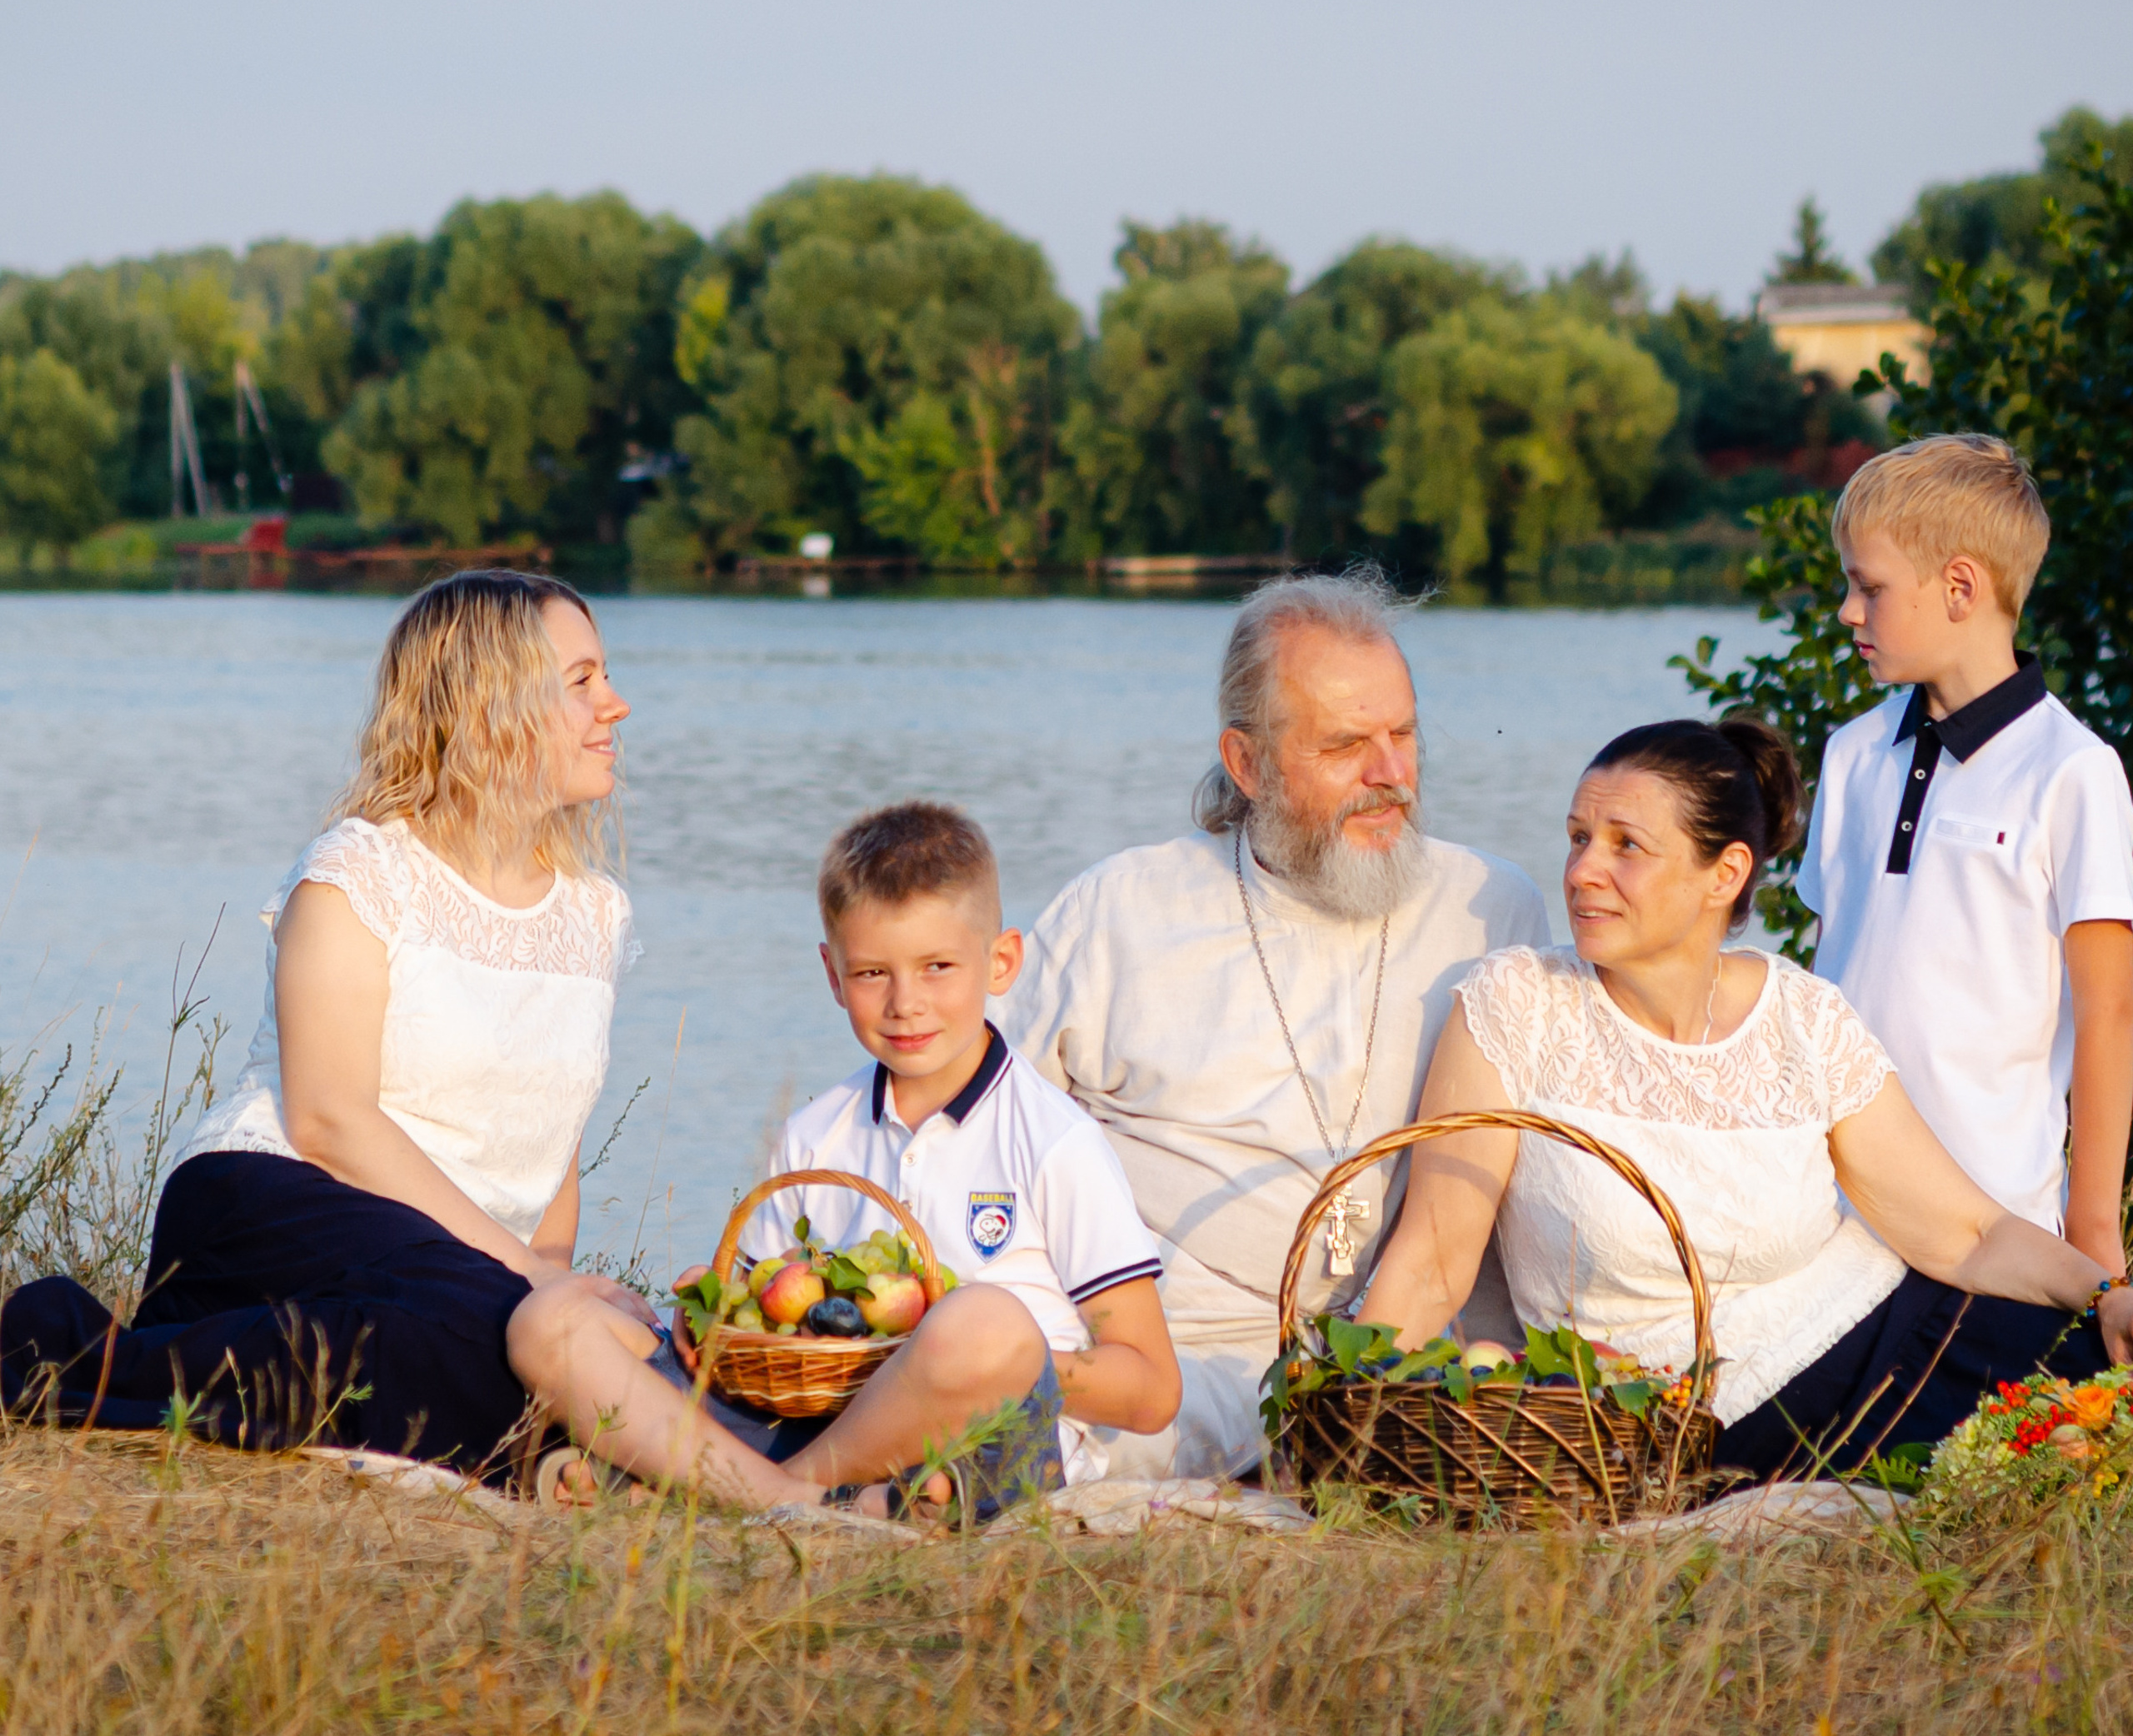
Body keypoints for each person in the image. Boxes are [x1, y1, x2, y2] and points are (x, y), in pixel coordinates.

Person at [0, 572, 664, 1479]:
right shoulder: (357, 875)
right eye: (582, 680)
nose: (614, 704)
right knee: (458, 1317)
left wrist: (557, 1284)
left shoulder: (594, 914)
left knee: (525, 1327)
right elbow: (329, 1121)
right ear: (489, 704)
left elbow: (556, 1147)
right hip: (276, 1197)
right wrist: (526, 1277)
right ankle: (59, 1351)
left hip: (450, 1264)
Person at [1358, 716, 2133, 1479]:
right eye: (1578, 838)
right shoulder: (1516, 1003)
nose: (1583, 870)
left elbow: (1968, 1234)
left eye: (1626, 845)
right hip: (1685, 1428)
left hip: (1896, 1338)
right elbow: (1430, 1261)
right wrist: (1349, 1418)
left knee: (2101, 1397)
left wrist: (2106, 1295)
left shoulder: (1804, 1016)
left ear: (1724, 875)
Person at [1000, 568, 1549, 1479]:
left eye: (1404, 735)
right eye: (1345, 745)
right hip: (1166, 1353)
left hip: (1397, 1361)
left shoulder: (1490, 907)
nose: (1390, 776)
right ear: (1247, 763)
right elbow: (980, 1122)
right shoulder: (1120, 910)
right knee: (1029, 1445)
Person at [519, 800, 1180, 1518]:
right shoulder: (813, 1136)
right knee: (549, 1320)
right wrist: (714, 1316)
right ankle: (809, 1497)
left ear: (1001, 962)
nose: (905, 1003)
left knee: (983, 1321)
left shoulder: (1055, 1142)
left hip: (977, 1434)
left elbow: (1151, 1390)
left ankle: (733, 1489)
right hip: (814, 1419)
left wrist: (965, 1364)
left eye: (937, 967)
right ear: (833, 976)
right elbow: (766, 1321)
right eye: (871, 974)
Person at [1799, 433, 2133, 1273]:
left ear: (1959, 587)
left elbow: (2109, 1015)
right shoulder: (1851, 754)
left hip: (1993, 1235)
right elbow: (1819, 985)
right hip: (1827, 1224)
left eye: (1869, 587)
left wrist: (2093, 1237)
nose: (1847, 612)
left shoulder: (2072, 771)